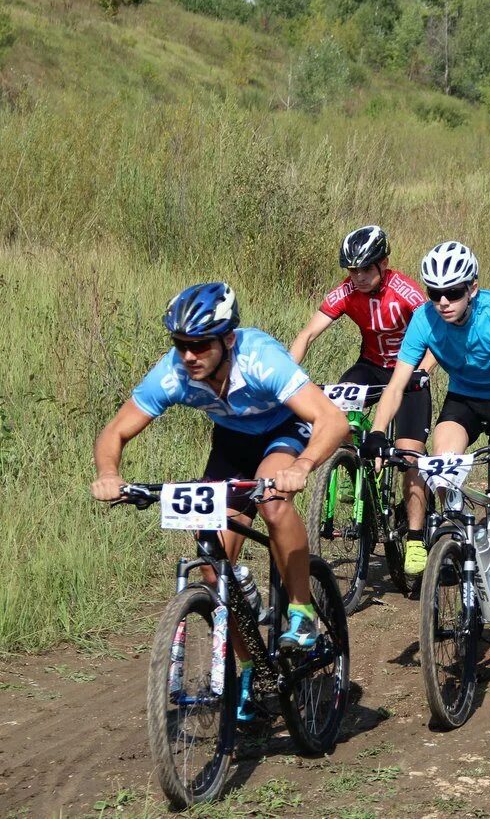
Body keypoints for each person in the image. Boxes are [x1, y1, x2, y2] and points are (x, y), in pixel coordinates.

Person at [91, 282, 350, 720]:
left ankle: (303, 610)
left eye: (199, 345)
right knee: (212, 567)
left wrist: (303, 466)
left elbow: (332, 418)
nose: (188, 355)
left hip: (284, 432)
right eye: (180, 345)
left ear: (228, 339)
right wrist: (109, 474)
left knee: (272, 500)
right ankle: (249, 667)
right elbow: (114, 431)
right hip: (231, 444)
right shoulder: (172, 372)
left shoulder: (260, 359)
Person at [366, 241, 490, 667]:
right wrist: (377, 432)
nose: (443, 302)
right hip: (464, 400)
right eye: (435, 293)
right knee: (441, 472)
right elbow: (397, 385)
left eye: (453, 292)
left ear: (473, 287)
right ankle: (455, 545)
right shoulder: (424, 320)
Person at [290, 225, 436, 575]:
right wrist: (287, 377)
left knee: (409, 453)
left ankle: (415, 537)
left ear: (384, 263)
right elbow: (308, 333)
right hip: (370, 366)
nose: (358, 277)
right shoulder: (346, 291)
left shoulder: (406, 292)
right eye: (352, 270)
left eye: (366, 269)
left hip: (409, 372)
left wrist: (424, 371)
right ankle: (356, 469)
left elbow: (436, 336)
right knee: (333, 413)